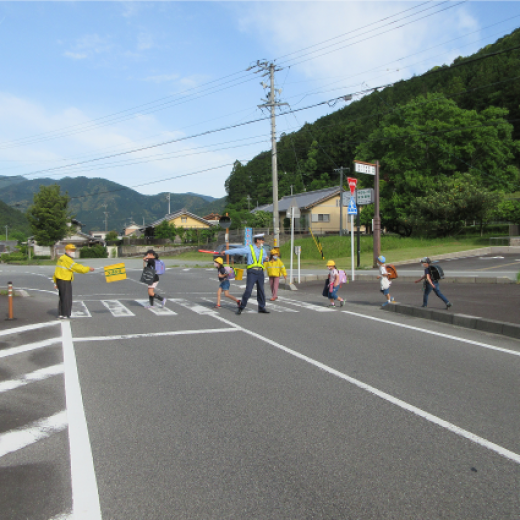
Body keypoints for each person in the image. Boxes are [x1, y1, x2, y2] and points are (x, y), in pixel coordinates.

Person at [224, 234, 269, 315]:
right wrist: (226, 252)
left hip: (260, 272)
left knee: (261, 290)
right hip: (252, 272)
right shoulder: (249, 248)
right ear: (257, 240)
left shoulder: (263, 249)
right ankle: (241, 307)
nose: (263, 241)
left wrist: (266, 259)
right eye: (262, 240)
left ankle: (261, 307)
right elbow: (238, 251)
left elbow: (265, 258)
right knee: (248, 290)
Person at [53, 243, 94, 319]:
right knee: (66, 298)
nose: (73, 252)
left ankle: (61, 313)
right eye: (72, 250)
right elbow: (77, 267)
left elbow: (56, 271)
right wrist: (88, 268)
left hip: (60, 280)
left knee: (62, 297)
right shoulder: (67, 260)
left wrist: (56, 282)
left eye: (74, 250)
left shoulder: (61, 258)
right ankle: (65, 314)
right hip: (65, 280)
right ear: (67, 250)